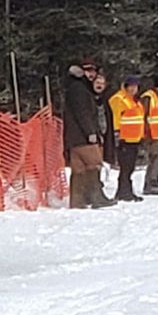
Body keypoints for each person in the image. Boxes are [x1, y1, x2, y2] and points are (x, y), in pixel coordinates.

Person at [63, 57, 116, 209]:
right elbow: (83, 113)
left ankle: (78, 201)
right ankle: (96, 198)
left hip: (73, 138)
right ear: (81, 71)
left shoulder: (74, 86)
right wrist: (91, 132)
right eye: (88, 70)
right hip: (82, 137)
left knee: (79, 169)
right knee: (94, 164)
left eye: (93, 70)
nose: (91, 74)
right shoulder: (80, 89)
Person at [108, 76, 145, 202]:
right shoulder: (119, 99)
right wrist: (118, 136)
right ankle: (124, 192)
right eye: (131, 86)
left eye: (136, 86)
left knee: (129, 168)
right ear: (126, 86)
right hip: (125, 139)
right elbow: (116, 118)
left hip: (135, 139)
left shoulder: (135, 101)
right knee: (125, 167)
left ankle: (125, 191)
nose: (134, 89)